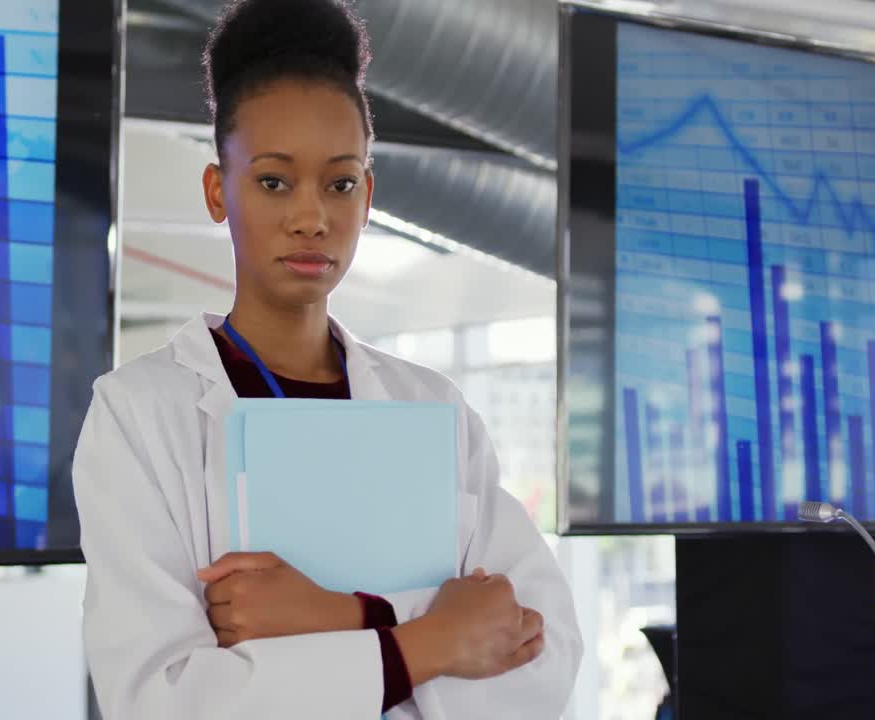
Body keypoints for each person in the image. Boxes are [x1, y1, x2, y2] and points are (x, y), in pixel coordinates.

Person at [71, 0, 583, 717]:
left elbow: (543, 655)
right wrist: (431, 643)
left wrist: (338, 617)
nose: (311, 216)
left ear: (368, 196)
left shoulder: (433, 409)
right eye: (274, 181)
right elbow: (168, 700)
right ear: (220, 191)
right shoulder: (139, 416)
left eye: (340, 183)